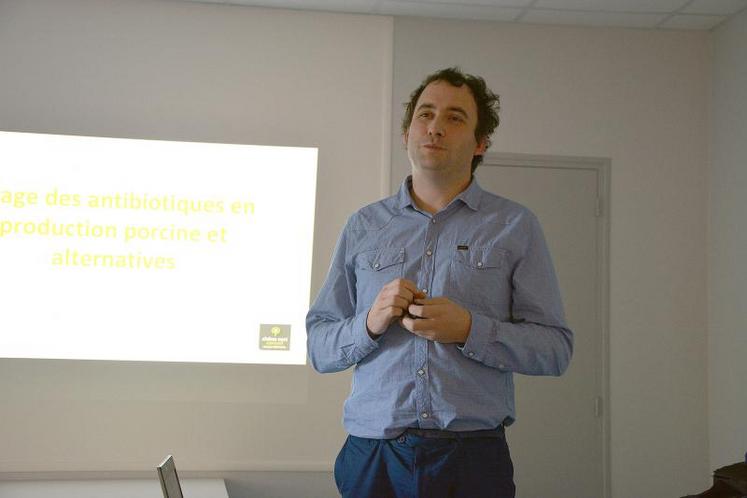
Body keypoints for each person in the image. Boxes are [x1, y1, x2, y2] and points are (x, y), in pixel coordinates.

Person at [306, 67, 573, 498]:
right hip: (373, 457)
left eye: (455, 117)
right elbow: (319, 347)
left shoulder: (515, 225)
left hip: (472, 459)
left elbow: (555, 350)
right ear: (406, 134)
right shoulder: (364, 225)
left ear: (480, 142)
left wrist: (470, 330)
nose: (435, 127)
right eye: (425, 114)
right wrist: (369, 323)